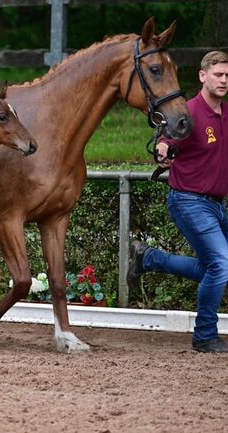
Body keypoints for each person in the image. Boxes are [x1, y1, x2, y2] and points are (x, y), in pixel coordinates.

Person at [127, 50, 228, 353]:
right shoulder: (190, 112)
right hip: (189, 200)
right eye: (218, 74)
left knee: (216, 267)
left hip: (217, 204)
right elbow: (164, 143)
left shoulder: (226, 114)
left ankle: (149, 258)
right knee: (221, 265)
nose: (223, 79)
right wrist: (162, 151)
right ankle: (204, 335)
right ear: (202, 76)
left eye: (227, 75)